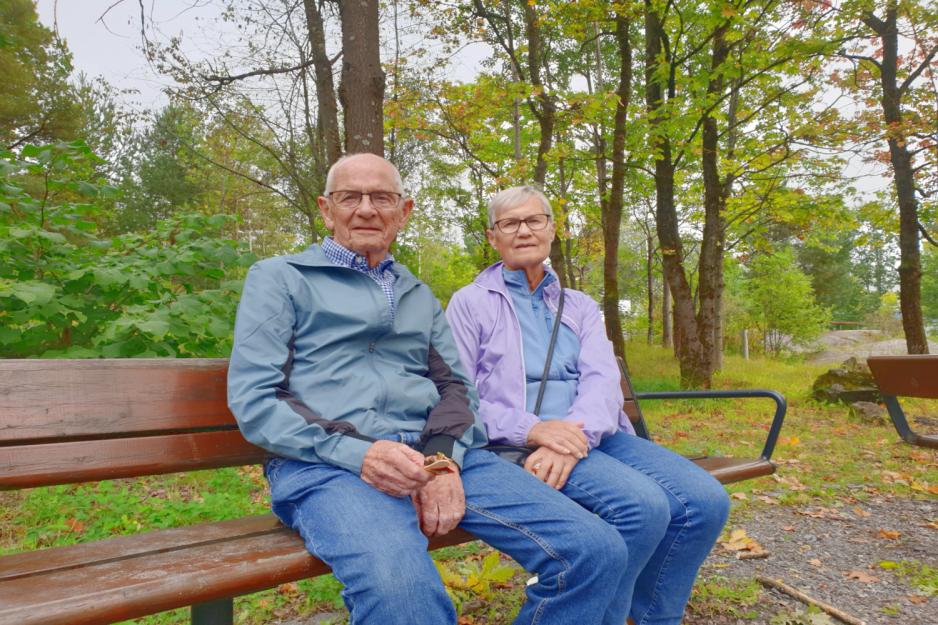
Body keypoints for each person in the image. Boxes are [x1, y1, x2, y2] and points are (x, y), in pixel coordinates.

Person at [227, 154, 641, 625]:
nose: (366, 209)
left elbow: (457, 389)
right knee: (405, 598)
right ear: (327, 209)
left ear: (403, 211)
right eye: (350, 198)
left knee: (595, 550)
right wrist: (360, 453)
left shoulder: (416, 293)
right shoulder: (281, 278)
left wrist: (443, 458)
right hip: (326, 465)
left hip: (434, 455)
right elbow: (257, 397)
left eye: (381, 197)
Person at [445, 185, 731, 625]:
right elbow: (459, 396)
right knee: (642, 508)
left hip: (588, 435)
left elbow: (602, 379)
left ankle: (653, 617)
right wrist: (533, 430)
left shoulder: (577, 304)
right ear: (493, 237)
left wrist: (572, 435)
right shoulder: (470, 304)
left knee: (706, 502)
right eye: (510, 223)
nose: (523, 231)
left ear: (552, 230)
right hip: (515, 442)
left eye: (534, 220)